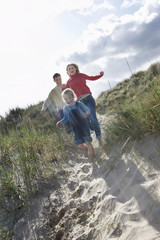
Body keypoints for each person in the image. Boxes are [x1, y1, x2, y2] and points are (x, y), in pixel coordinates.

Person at [64, 63, 104, 143]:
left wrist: (100, 75)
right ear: (67, 72)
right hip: (79, 103)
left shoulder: (81, 75)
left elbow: (91, 78)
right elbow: (66, 93)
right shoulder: (68, 82)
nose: (71, 70)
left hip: (89, 99)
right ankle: (91, 132)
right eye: (69, 69)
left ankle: (99, 138)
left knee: (93, 118)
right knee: (85, 120)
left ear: (76, 69)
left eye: (72, 68)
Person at [56, 88, 95, 159]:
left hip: (84, 125)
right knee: (80, 144)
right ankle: (85, 149)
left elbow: (87, 109)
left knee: (87, 142)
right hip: (75, 127)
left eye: (69, 98)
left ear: (73, 96)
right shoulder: (66, 109)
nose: (68, 100)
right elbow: (66, 118)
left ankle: (93, 157)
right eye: (66, 99)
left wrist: (86, 113)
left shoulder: (79, 104)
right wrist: (60, 122)